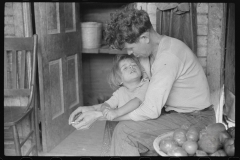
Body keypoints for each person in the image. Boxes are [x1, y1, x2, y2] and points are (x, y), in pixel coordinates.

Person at [69, 7, 216, 156]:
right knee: (113, 124)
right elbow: (136, 96)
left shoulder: (169, 57)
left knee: (124, 131)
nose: (130, 53)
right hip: (175, 114)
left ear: (145, 38)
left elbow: (150, 110)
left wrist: (98, 116)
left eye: (131, 48)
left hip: (196, 118)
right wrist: (92, 109)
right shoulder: (149, 55)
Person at [69, 54, 149, 125]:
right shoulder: (120, 92)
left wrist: (116, 112)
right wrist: (105, 110)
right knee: (113, 126)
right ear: (119, 79)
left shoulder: (145, 84)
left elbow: (137, 101)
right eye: (125, 68)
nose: (131, 67)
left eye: (134, 65)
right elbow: (106, 104)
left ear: (141, 72)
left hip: (142, 124)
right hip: (125, 124)